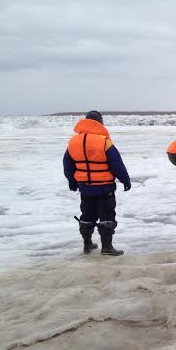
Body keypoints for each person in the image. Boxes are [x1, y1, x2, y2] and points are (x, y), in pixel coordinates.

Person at [63, 110, 131, 256]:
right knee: (106, 216)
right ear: (100, 123)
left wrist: (71, 181)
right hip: (104, 187)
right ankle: (107, 247)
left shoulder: (73, 142)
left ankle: (87, 244)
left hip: (85, 188)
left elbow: (67, 164)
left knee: (87, 216)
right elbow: (117, 164)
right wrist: (125, 180)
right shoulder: (104, 141)